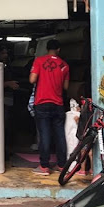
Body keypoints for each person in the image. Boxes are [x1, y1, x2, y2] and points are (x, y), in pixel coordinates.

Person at [29, 39, 69, 176]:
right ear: (58, 50)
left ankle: (44, 166)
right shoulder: (64, 65)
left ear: (47, 49)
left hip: (42, 102)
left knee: (44, 134)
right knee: (60, 134)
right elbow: (66, 87)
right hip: (58, 104)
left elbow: (32, 79)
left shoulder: (39, 61)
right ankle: (62, 165)